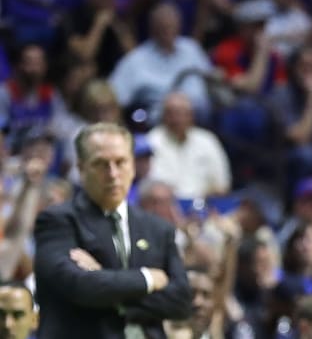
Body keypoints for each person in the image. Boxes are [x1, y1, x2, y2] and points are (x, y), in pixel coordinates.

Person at [33, 122, 192, 339]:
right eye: (100, 164)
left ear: (133, 166)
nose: (113, 173)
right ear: (80, 169)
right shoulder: (57, 221)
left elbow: (181, 302)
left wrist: (103, 278)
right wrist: (147, 279)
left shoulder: (157, 228)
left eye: (121, 162)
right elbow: (80, 287)